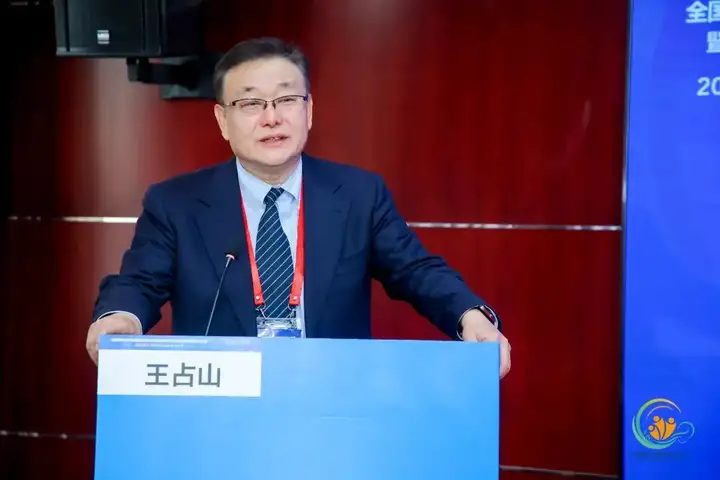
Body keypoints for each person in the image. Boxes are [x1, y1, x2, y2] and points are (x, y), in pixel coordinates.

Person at [85, 37, 511, 377]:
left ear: (308, 112)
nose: (271, 118)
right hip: (220, 407)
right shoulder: (176, 203)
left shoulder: (358, 194)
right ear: (223, 121)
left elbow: (416, 271)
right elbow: (139, 282)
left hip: (331, 402)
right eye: (251, 103)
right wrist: (121, 319)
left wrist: (470, 315)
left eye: (287, 100)